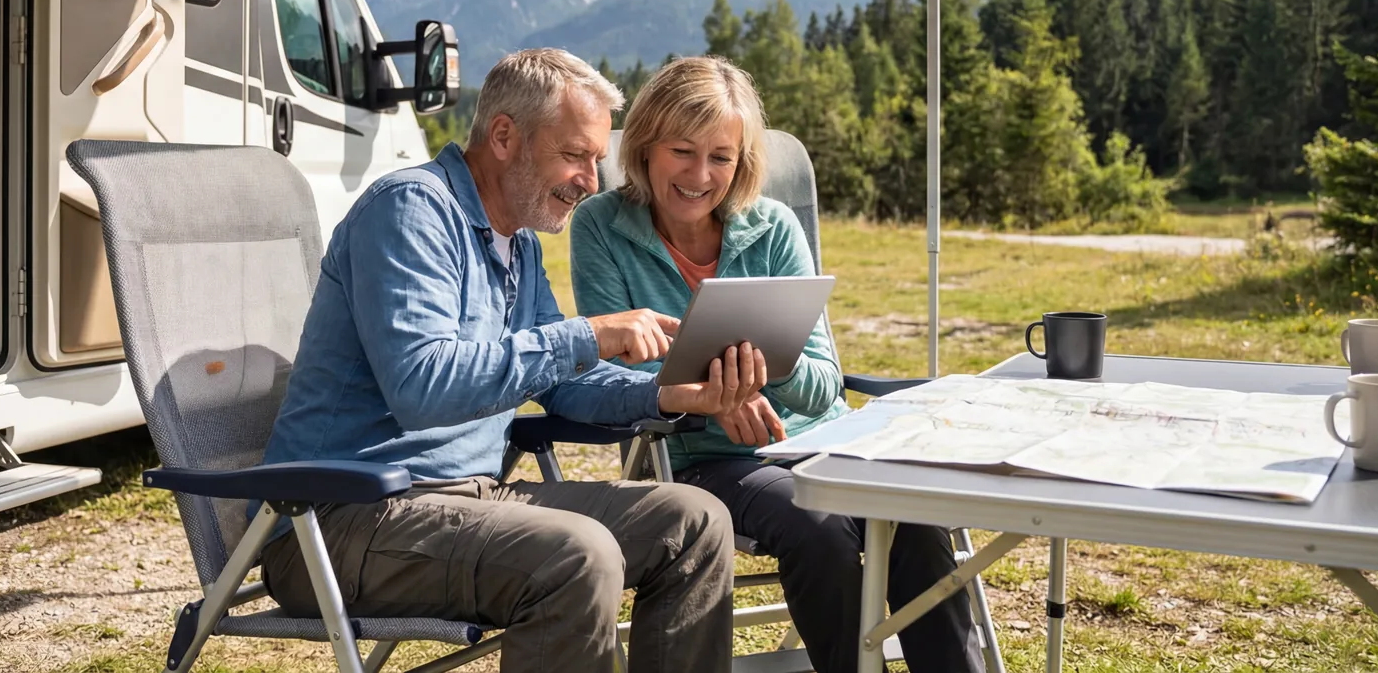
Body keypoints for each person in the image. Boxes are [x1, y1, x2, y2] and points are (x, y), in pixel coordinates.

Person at [260, 48, 769, 673]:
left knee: (693, 520)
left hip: (470, 501)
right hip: (340, 517)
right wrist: (587, 335)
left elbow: (565, 383)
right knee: (578, 555)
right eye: (575, 155)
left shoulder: (517, 242)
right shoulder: (409, 212)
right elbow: (423, 388)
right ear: (504, 136)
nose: (591, 179)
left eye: (595, 159)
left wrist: (666, 394)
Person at [569, 56, 985, 673]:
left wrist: (768, 369)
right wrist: (716, 395)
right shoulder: (601, 226)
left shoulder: (774, 227)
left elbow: (822, 388)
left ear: (741, 163)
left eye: (721, 157)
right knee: (817, 525)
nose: (700, 174)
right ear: (647, 146)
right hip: (701, 456)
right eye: (682, 151)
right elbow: (617, 378)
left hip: (818, 441)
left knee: (912, 516)